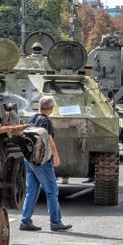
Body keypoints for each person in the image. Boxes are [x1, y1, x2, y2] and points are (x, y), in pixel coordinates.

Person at [20, 96, 72, 232]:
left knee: (31, 191)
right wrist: (56, 156)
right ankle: (55, 222)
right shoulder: (45, 121)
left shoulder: (31, 118)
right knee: (52, 191)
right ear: (51, 109)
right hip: (42, 161)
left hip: (29, 159)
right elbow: (49, 138)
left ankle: (25, 221)